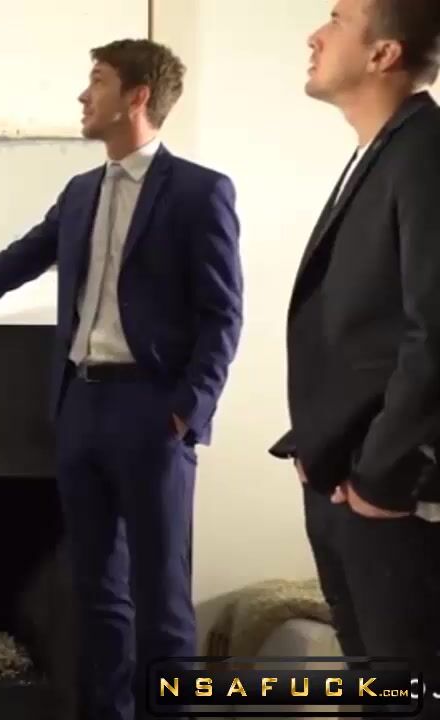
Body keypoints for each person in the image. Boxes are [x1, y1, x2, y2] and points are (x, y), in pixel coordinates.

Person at [0, 39, 243, 720]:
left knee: (162, 600)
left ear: (136, 96)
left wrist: (187, 410)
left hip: (152, 413)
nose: (83, 95)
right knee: (97, 595)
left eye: (97, 81)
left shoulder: (200, 192)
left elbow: (223, 314)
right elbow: (18, 261)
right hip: (80, 408)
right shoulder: (80, 193)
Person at [268, 0, 440, 712]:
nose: (315, 34)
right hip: (341, 478)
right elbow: (361, 332)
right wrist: (317, 446)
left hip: (387, 498)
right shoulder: (380, 151)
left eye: (337, 19)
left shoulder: (427, 153)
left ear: (383, 53)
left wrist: (381, 478)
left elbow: (434, 334)